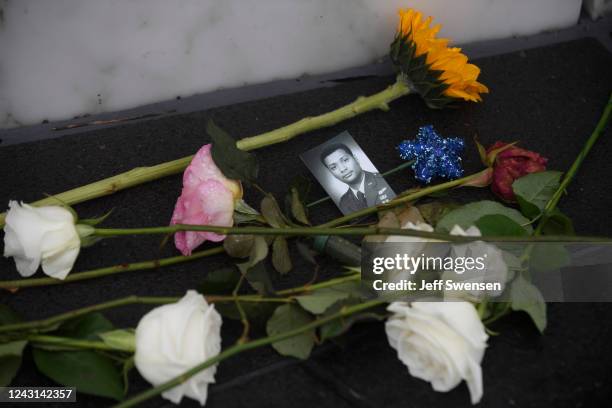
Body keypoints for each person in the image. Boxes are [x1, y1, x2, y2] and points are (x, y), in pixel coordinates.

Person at [320, 143, 395, 214]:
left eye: (345, 160)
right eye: (334, 167)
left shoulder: (383, 178)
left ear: (355, 159)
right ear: (331, 173)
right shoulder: (343, 203)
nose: (342, 169)